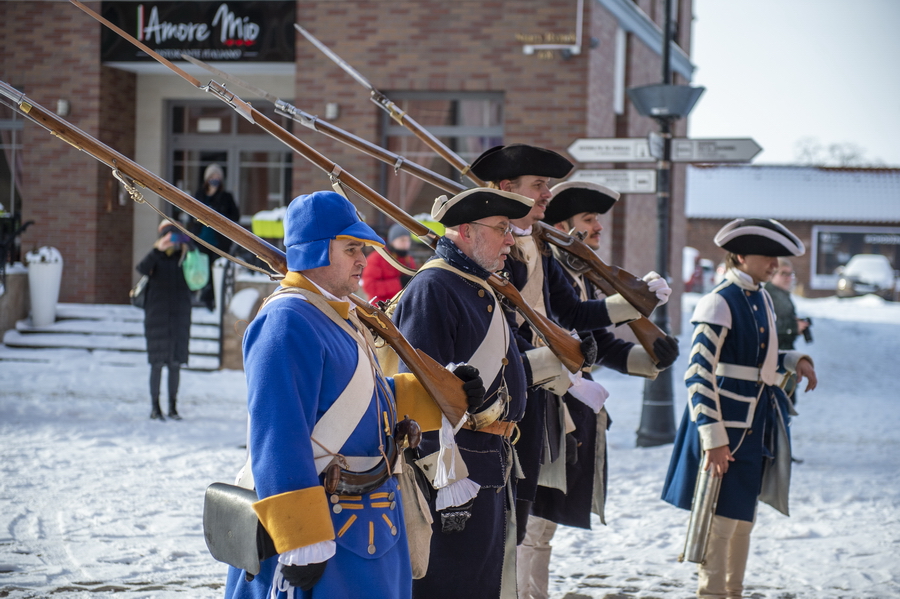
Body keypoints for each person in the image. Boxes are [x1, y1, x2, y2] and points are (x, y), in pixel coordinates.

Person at [223, 190, 482, 599]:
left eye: (362, 248)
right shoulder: (286, 320)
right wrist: (300, 536)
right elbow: (278, 435)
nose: (363, 259)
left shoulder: (339, 313)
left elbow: (368, 397)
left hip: (369, 519)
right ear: (314, 252)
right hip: (325, 526)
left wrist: (441, 390)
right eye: (351, 248)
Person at [467, 144, 673, 561]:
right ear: (508, 187)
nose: (547, 194)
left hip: (540, 389)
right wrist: (564, 370)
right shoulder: (497, 253)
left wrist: (638, 301)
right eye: (539, 185)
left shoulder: (537, 244)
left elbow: (575, 312)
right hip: (510, 393)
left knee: (531, 525)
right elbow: (502, 333)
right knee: (514, 527)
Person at [522, 181, 681, 599]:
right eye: (590, 219)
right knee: (533, 525)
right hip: (546, 403)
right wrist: (635, 300)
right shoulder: (547, 269)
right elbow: (566, 319)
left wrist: (650, 360)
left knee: (545, 524)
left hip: (573, 408)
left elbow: (601, 344)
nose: (598, 228)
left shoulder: (581, 274)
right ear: (563, 226)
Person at [661, 218, 819, 599]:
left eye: (775, 256)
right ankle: (712, 593)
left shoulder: (760, 296)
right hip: (723, 428)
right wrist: (713, 439)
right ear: (741, 255)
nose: (774, 263)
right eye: (766, 255)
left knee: (742, 520)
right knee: (718, 524)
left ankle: (734, 592)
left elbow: (758, 357)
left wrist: (794, 359)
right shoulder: (718, 300)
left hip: (756, 424)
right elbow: (698, 374)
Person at [391, 188, 533, 598]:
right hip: (456, 477)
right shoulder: (434, 287)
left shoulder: (479, 285)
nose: (510, 239)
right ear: (467, 231)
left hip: (488, 462)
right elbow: (416, 393)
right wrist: (445, 483)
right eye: (502, 229)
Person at [136, 220, 194, 421]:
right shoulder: (155, 258)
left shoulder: (185, 259)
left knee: (175, 364)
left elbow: (200, 255)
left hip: (179, 318)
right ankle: (155, 408)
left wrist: (187, 241)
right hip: (157, 318)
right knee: (157, 364)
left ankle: (173, 407)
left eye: (175, 236)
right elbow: (141, 268)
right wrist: (157, 249)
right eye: (168, 236)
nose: (172, 241)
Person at [175, 164, 240, 310]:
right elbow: (191, 214)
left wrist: (220, 215)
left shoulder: (226, 197)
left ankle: (212, 299)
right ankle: (202, 294)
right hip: (201, 239)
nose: (214, 180)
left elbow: (235, 216)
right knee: (201, 268)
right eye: (212, 177)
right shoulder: (199, 195)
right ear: (207, 179)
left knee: (215, 270)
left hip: (219, 241)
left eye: (217, 177)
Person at [361, 223, 418, 302]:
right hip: (380, 307)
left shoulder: (408, 259)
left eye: (408, 240)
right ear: (392, 241)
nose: (406, 244)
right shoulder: (377, 258)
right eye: (402, 240)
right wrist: (399, 283)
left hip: (401, 306)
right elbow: (369, 287)